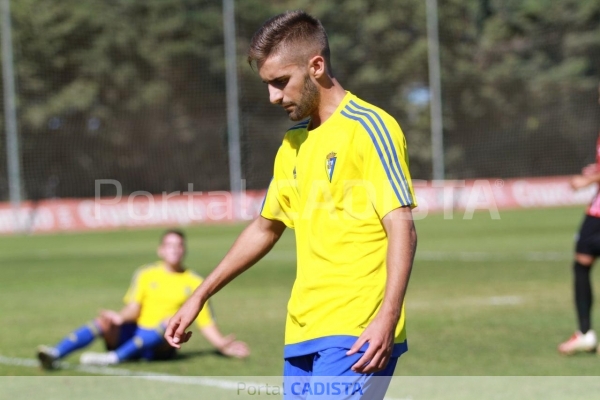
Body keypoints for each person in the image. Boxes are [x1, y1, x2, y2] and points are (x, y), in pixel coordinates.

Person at [165, 10, 417, 399]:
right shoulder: (294, 142)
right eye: (268, 85)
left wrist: (388, 316)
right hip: (302, 330)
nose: (273, 96)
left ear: (316, 66)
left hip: (357, 327)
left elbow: (401, 224)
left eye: (281, 82)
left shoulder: (370, 127)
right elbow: (265, 227)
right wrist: (200, 294)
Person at [36, 229, 249, 370]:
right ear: (161, 250)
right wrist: (118, 318)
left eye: (179, 245)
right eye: (169, 245)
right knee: (104, 321)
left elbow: (205, 321)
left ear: (184, 250)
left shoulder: (194, 281)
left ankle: (114, 359)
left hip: (162, 345)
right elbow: (134, 308)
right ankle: (55, 353)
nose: (174, 249)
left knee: (169, 320)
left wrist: (221, 344)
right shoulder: (146, 273)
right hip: (134, 335)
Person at [558, 94, 600, 355]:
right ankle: (584, 333)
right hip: (596, 212)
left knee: (581, 264)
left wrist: (588, 181)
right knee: (581, 262)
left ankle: (585, 332)